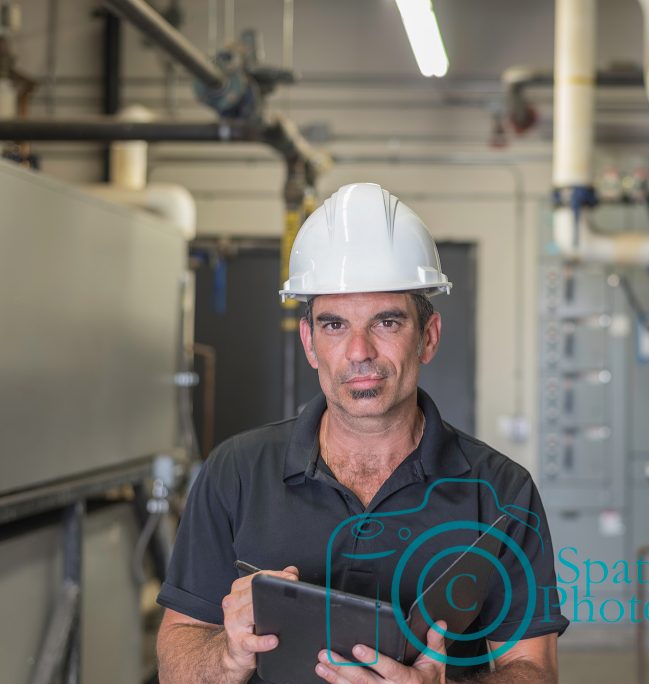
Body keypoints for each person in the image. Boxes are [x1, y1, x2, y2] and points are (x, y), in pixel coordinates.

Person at [155, 183, 567, 683]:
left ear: (428, 337)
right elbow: (177, 654)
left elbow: (532, 669)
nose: (358, 352)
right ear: (309, 342)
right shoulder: (236, 472)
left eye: (386, 322)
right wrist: (228, 653)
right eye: (333, 326)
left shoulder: (502, 492)